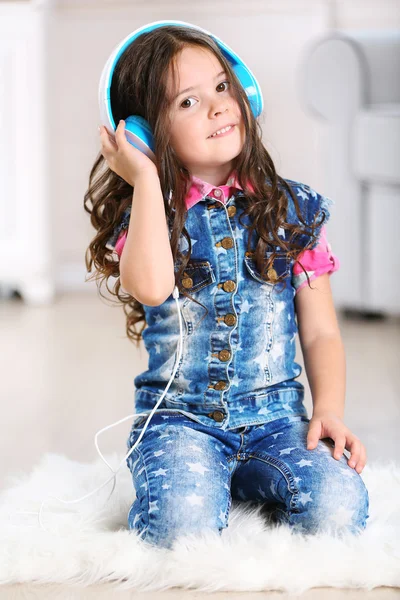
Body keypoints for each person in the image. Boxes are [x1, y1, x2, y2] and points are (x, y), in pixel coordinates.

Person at [84, 23, 369, 550]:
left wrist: (328, 408)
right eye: (188, 102)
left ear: (245, 90)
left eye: (221, 87)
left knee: (339, 507)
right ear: (146, 133)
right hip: (181, 423)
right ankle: (200, 479)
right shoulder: (150, 215)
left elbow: (323, 332)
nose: (218, 107)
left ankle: (240, 481)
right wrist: (145, 180)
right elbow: (149, 287)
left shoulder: (292, 209)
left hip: (277, 422)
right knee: (178, 531)